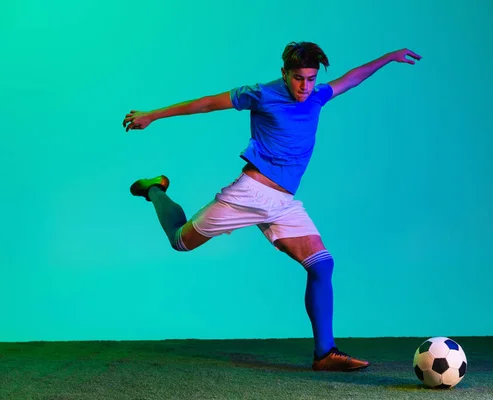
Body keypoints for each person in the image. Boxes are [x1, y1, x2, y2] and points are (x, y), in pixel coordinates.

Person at [123, 42, 421, 371]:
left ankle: (325, 354)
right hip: (250, 194)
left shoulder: (318, 96)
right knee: (180, 241)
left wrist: (388, 58)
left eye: (310, 78)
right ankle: (154, 188)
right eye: (297, 78)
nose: (304, 86)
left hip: (283, 203)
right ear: (284, 73)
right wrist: (152, 115)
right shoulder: (261, 94)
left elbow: (352, 78)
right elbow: (207, 104)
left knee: (322, 266)